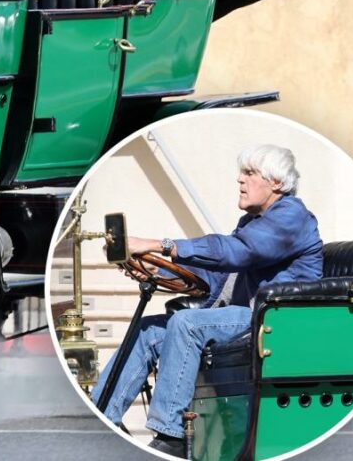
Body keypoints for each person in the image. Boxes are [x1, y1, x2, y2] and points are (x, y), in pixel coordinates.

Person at [92, 144, 323, 458]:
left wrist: (160, 244)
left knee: (187, 323)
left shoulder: (291, 216)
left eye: (250, 173)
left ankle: (171, 435)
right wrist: (153, 267)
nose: (240, 179)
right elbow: (216, 274)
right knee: (149, 331)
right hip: (246, 314)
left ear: (277, 183)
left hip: (273, 318)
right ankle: (101, 416)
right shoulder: (254, 222)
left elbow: (236, 252)